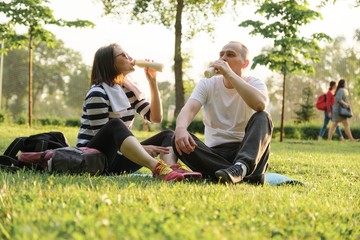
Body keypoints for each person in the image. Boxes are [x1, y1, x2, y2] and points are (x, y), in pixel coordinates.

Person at [76, 43, 200, 181]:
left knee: (168, 135)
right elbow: (104, 137)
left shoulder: (128, 90)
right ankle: (158, 168)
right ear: (110, 63)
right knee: (116, 125)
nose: (130, 57)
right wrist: (143, 149)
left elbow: (155, 117)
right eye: (123, 55)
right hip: (94, 159)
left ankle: (170, 172)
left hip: (119, 158)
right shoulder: (97, 93)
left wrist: (153, 82)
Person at [172, 41, 273, 185]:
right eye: (221, 55)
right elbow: (189, 109)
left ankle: (240, 168)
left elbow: (260, 104)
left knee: (263, 116)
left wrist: (230, 74)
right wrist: (181, 129)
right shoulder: (207, 83)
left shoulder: (254, 83)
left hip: (246, 151)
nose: (223, 58)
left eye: (230, 55)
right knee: (177, 139)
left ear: (245, 64)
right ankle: (244, 175)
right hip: (214, 154)